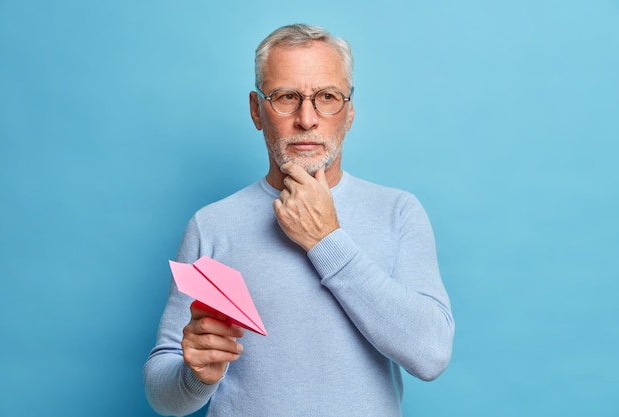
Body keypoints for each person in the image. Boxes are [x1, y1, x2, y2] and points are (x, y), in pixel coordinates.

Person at [144, 23, 455, 417]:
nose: (307, 119)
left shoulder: (398, 213)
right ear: (257, 110)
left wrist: (325, 239)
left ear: (349, 112)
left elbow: (430, 354)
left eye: (327, 97)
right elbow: (162, 393)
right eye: (286, 97)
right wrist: (196, 377)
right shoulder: (213, 225)